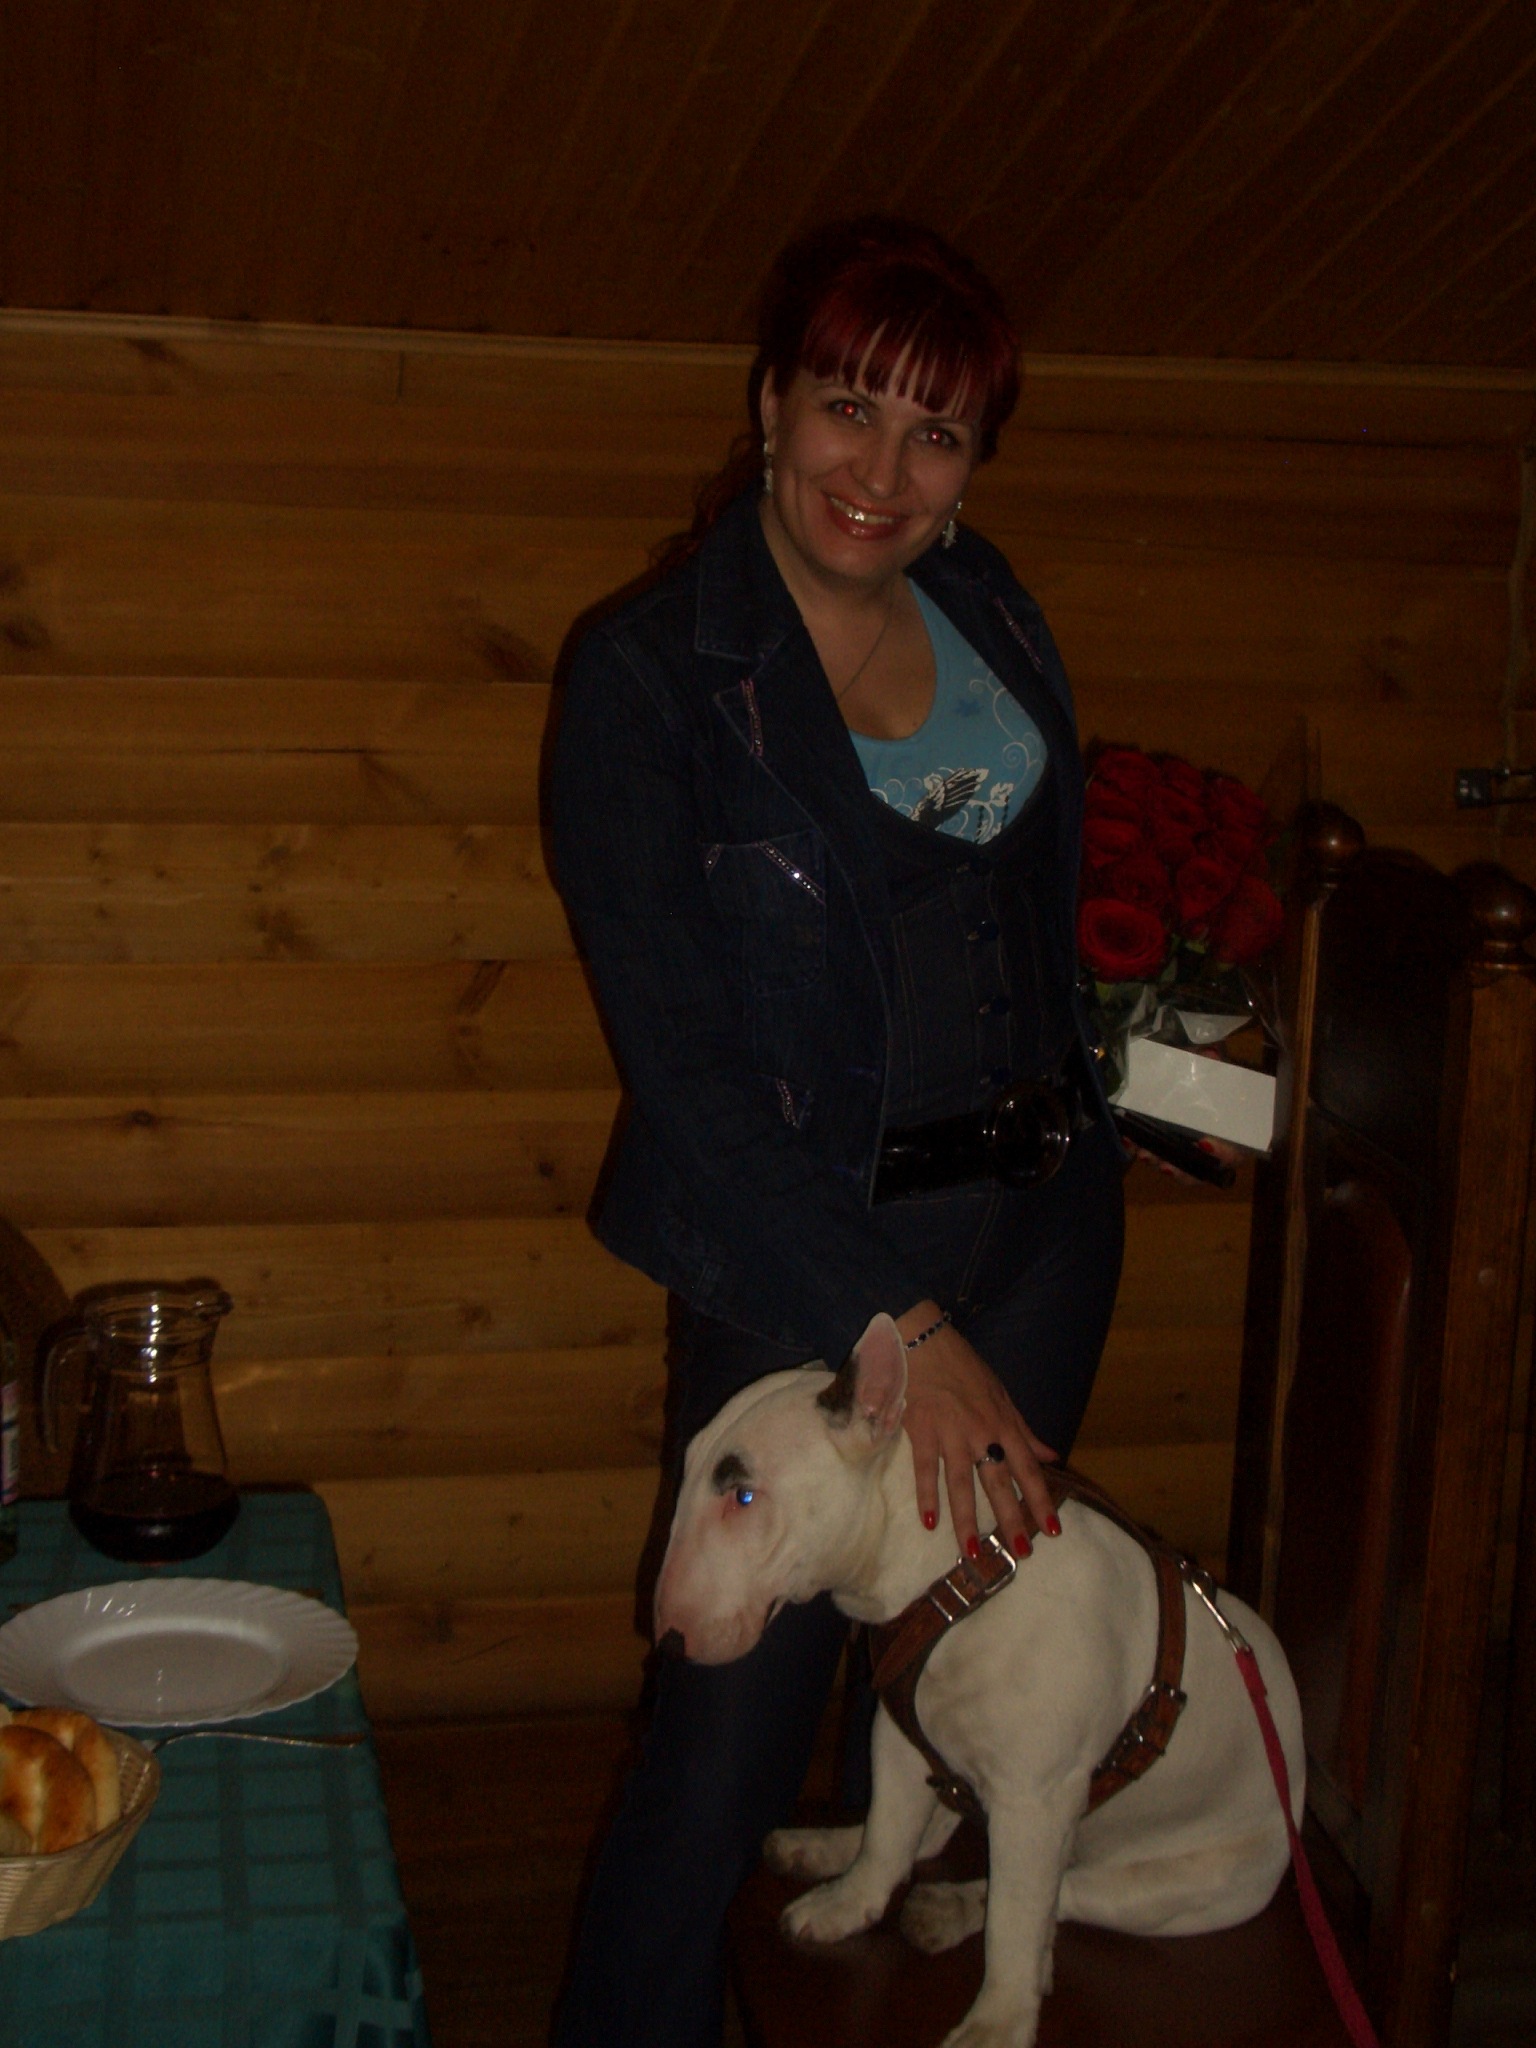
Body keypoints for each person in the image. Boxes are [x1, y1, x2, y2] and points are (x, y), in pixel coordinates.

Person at [548, 216, 1126, 2048]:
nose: (882, 468)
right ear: (770, 405)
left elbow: (1032, 919)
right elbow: (688, 1069)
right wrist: (898, 1321)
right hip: (802, 1271)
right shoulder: (647, 677)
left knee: (968, 1656)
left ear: (974, 466)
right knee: (725, 1744)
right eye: (848, 406)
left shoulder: (993, 605)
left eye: (936, 431)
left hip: (1043, 1237)